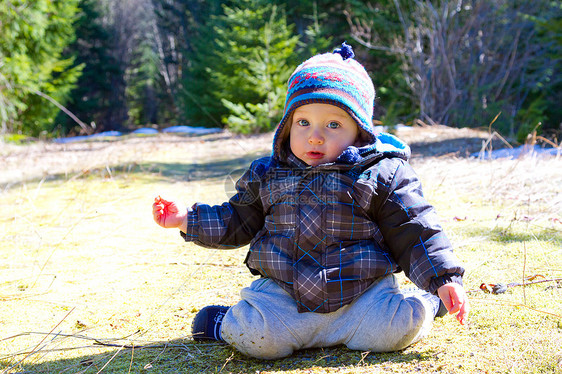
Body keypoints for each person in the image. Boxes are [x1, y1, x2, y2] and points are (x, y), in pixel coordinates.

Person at [152, 42, 469, 360]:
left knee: (396, 329)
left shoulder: (381, 173)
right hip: (284, 295)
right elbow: (235, 220)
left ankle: (428, 301)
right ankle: (223, 324)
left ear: (359, 132)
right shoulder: (268, 173)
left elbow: (414, 228)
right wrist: (186, 219)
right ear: (287, 126)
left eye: (333, 125)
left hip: (363, 296)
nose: (315, 136)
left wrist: (443, 279)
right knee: (258, 338)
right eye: (303, 123)